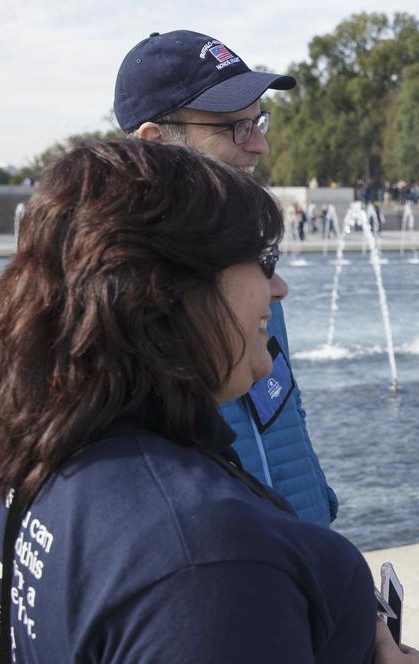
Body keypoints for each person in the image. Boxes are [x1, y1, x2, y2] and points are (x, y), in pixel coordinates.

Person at [0, 140, 419, 664]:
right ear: (169, 293)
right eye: (258, 260)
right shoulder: (192, 548)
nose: (277, 288)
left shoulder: (14, 456)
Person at [114, 30, 337, 528]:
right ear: (155, 144)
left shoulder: (249, 265)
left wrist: (318, 519)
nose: (259, 144)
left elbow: (282, 413)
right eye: (233, 127)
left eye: (257, 120)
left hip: (298, 566)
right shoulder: (120, 302)